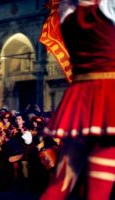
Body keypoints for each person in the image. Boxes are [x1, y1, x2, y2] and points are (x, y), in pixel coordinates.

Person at [41, 0, 115, 199]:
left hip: (81, 97)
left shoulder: (66, 10)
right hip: (109, 95)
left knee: (60, 183)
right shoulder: (108, 6)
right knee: (99, 183)